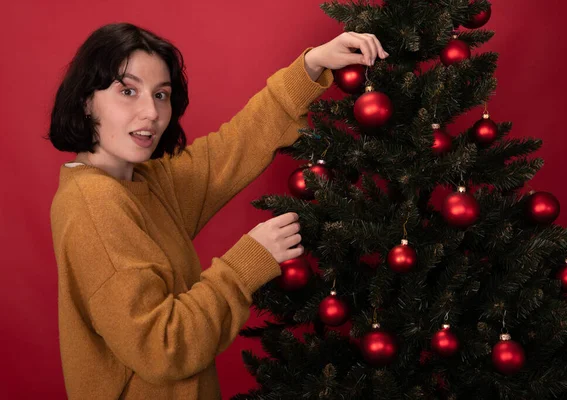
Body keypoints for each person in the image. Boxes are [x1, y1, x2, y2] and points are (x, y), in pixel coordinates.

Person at [47, 22, 388, 399]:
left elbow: (233, 147)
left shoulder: (142, 183)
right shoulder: (96, 205)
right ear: (85, 100)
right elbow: (164, 347)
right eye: (127, 91)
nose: (151, 112)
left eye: (161, 95)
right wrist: (248, 262)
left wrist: (311, 64)